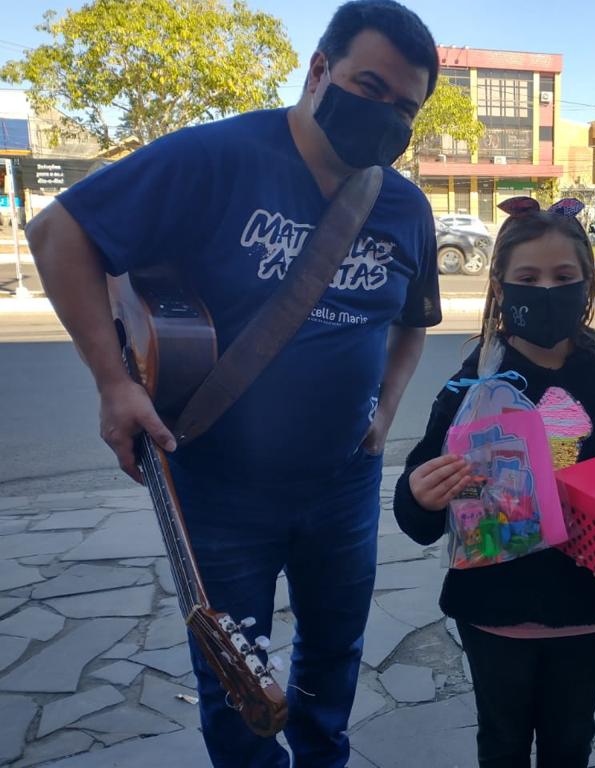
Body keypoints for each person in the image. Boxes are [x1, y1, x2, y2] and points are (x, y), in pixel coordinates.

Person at [25, 2, 441, 765]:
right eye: (370, 87)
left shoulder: (405, 207)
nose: (386, 114)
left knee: (334, 656)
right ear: (319, 71)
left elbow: (414, 321)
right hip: (220, 485)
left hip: (343, 483)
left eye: (405, 108)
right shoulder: (215, 158)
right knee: (233, 683)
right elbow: (58, 234)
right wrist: (114, 382)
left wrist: (387, 407)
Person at [393, 197, 595, 768]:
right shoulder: (469, 390)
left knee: (571, 740)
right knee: (502, 742)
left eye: (563, 277)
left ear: (586, 284)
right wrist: (421, 495)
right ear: (500, 286)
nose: (546, 290)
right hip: (492, 610)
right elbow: (418, 513)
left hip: (584, 606)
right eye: (528, 278)